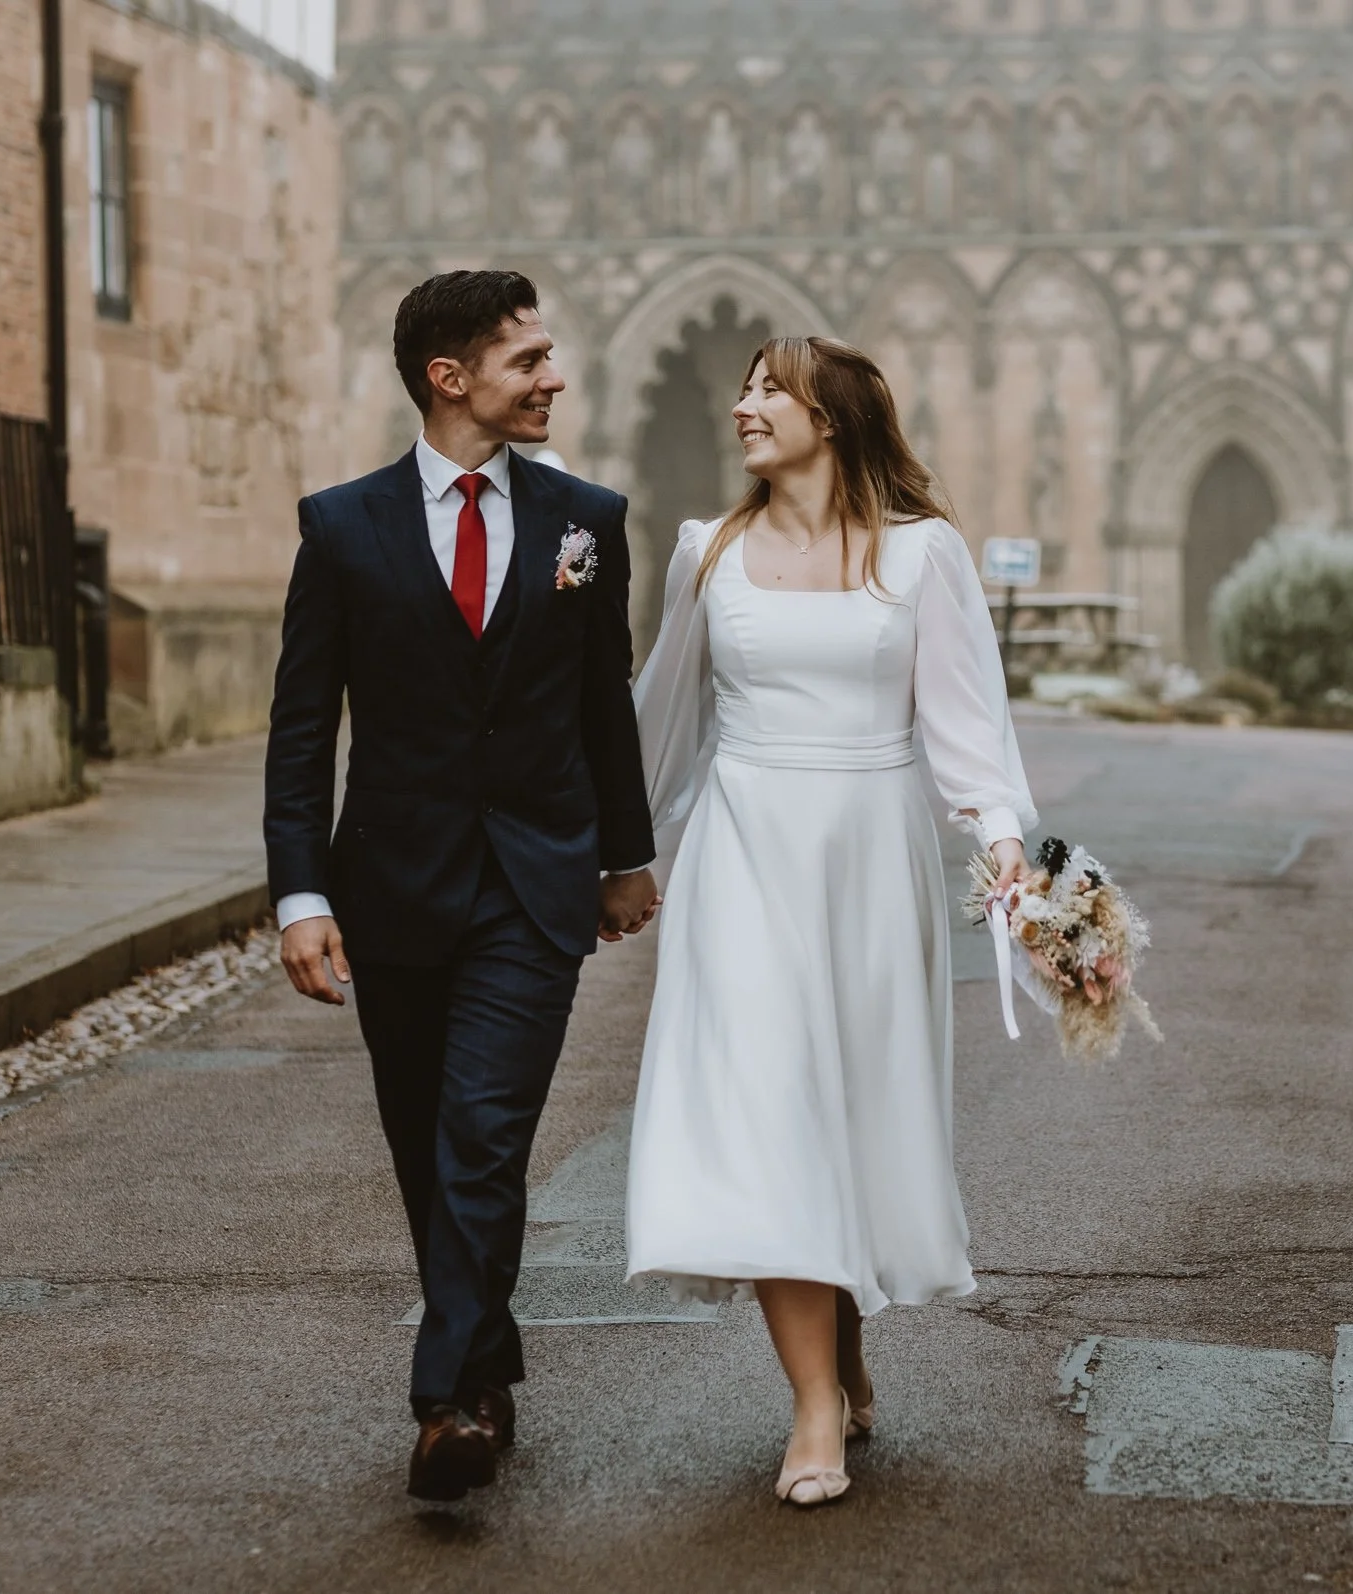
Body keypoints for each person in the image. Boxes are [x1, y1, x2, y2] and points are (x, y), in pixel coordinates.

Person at [263, 271, 661, 1501]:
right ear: (451, 378)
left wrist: (622, 855)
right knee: (423, 1142)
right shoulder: (342, 526)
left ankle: (445, 1404)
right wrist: (299, 893)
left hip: (532, 887)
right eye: (527, 359)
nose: (553, 378)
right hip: (390, 888)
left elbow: (607, 705)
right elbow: (298, 729)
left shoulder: (586, 518)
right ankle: (486, 1367)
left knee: (484, 1136)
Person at [625, 337, 1036, 1507]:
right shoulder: (705, 553)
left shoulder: (921, 555)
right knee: (765, 1107)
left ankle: (842, 1345)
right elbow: (659, 721)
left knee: (842, 1113)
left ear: (836, 418)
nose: (744, 404)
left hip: (870, 863)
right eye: (745, 387)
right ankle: (812, 1405)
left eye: (770, 388)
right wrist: (602, 855)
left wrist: (1004, 852)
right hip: (742, 857)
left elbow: (966, 727)